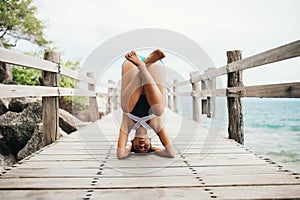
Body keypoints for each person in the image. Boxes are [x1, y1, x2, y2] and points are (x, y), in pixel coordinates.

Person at [116, 49, 175, 159]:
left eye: (138, 147)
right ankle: (145, 66)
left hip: (131, 65)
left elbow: (120, 154)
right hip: (155, 66)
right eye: (145, 147)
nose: (142, 145)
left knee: (126, 108)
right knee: (159, 110)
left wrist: (130, 149)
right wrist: (153, 149)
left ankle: (143, 66)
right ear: (150, 140)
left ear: (133, 142)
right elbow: (171, 153)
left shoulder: (127, 125)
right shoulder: (156, 126)